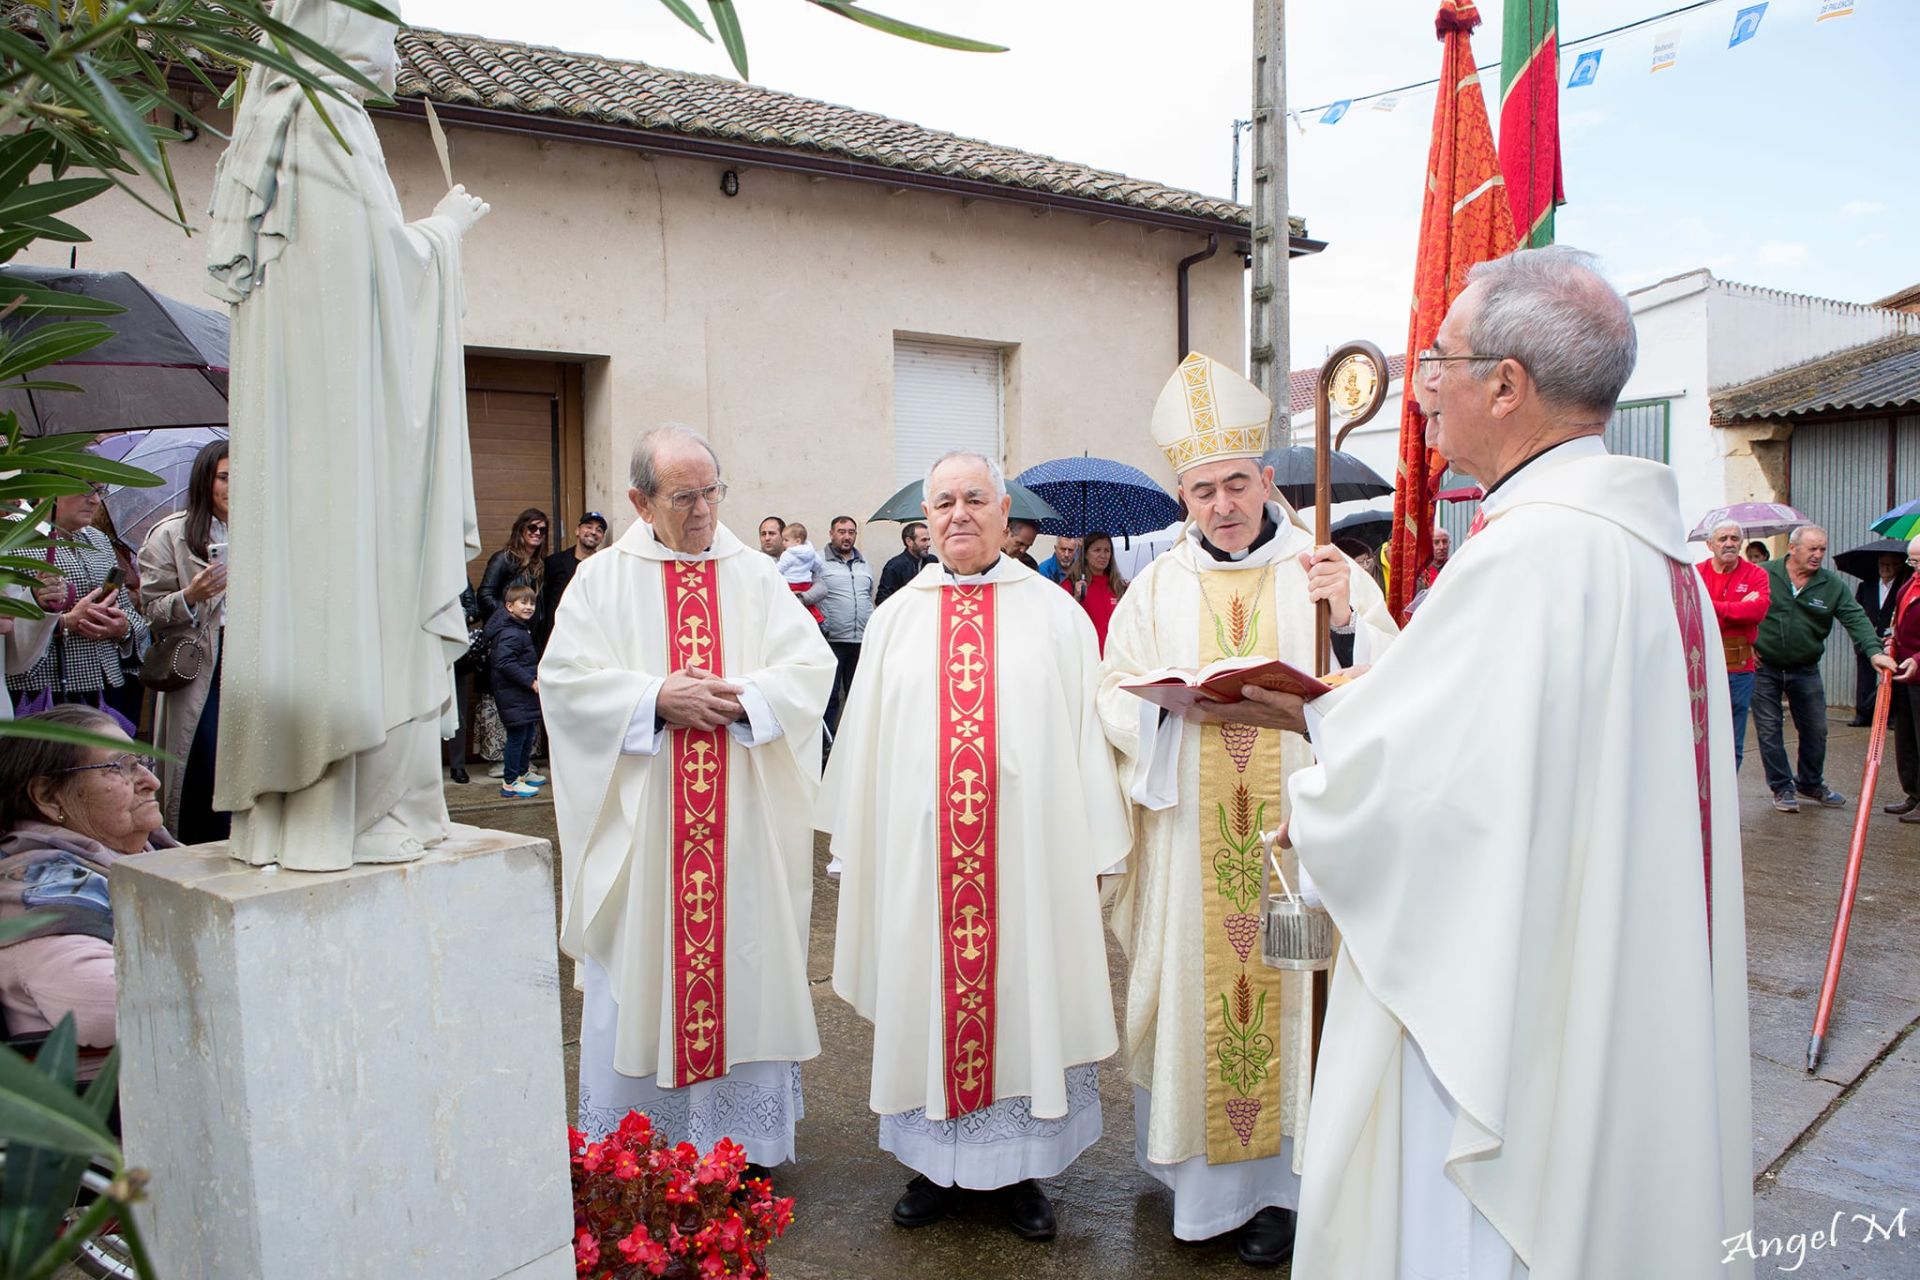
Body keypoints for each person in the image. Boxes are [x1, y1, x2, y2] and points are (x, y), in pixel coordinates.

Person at [1270, 247, 1752, 1279]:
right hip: (1599, 979)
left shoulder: (1533, 553)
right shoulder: (1643, 549)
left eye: (1440, 359)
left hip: (1507, 1017)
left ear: (1507, 384)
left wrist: (1316, 775)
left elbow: (1423, 800)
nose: (1425, 388)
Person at [1095, 352, 1397, 1267]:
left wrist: (1345, 621)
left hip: (1296, 842)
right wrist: (1158, 705)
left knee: (1299, 997)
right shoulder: (1154, 589)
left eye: (1236, 482)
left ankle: (1292, 1191)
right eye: (1202, 491)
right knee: (1206, 1000)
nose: (1222, 504)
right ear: (1182, 499)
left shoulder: (1324, 568)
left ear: (1268, 479)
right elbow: (1111, 693)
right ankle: (1207, 1191)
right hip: (1190, 836)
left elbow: (1384, 686)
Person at [820, 450, 1129, 1242]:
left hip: (1028, 858)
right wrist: (860, 846)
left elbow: (1086, 736)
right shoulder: (895, 619)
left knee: (1028, 994)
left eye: (975, 500)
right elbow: (865, 746)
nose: (959, 514)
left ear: (1005, 513)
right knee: (926, 993)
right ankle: (932, 1164)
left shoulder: (1055, 614)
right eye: (944, 501)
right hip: (923, 863)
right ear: (926, 516)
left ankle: (1022, 1170)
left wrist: (1096, 841)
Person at [206, 0, 487, 870]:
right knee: (365, 591)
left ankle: (324, 808)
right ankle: (355, 807)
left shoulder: (285, 123)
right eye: (386, 28)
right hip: (347, 445)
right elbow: (377, 286)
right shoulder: (327, 120)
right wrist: (443, 233)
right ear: (336, 26)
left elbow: (351, 280)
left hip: (325, 438)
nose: (394, 52)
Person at [541, 425, 835, 1171]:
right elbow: (565, 686)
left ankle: (743, 1148)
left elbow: (810, 668)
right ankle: (644, 1147)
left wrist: (745, 700)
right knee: (644, 962)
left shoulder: (755, 575)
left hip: (740, 824)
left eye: (712, 492)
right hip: (646, 835)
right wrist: (651, 698)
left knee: (744, 960)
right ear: (641, 501)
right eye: (684, 497)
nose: (704, 511)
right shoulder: (602, 580)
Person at [0, 706, 176, 1078]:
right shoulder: (40, 897)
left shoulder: (139, 858)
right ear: (48, 796)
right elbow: (121, 1010)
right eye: (120, 767)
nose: (150, 780)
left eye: (142, 762)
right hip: (113, 1113)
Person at [1752, 525, 1894, 813]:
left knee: (1816, 729)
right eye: (1812, 549)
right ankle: (1782, 787)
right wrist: (1744, 643)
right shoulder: (1763, 574)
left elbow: (1856, 618)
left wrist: (1875, 652)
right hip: (1763, 667)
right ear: (1793, 548)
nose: (1818, 555)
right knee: (1769, 730)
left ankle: (1810, 782)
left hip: (1805, 667)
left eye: (1822, 550)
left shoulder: (1831, 585)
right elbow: (1735, 608)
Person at [136, 438, 232, 843]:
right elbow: (150, 609)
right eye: (225, 476)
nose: (234, 487)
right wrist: (192, 596)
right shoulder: (171, 535)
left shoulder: (269, 532)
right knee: (203, 754)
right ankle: (194, 842)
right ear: (205, 480)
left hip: (257, 658)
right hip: (199, 660)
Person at [8, 485, 150, 729]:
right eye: (86, 490)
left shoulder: (98, 539)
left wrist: (121, 627)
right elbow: (7, 627)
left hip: (106, 689)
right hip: (39, 691)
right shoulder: (11, 535)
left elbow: (133, 618)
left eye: (99, 491)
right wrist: (63, 623)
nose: (95, 501)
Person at [1696, 517, 1770, 771]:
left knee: (1732, 740)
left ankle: (1727, 804)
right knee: (1698, 734)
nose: (1729, 543)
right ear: (1709, 544)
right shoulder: (1695, 573)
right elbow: (1688, 612)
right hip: (1700, 666)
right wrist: (1737, 608)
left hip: (1737, 668)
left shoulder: (1756, 574)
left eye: (1734, 538)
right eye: (1722, 539)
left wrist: (1712, 607)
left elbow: (1757, 612)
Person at [485, 582, 544, 798]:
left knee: (527, 734)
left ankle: (522, 773)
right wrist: (530, 681)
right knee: (517, 737)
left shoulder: (519, 628)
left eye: (532, 603)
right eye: (523, 602)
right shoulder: (510, 632)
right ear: (509, 606)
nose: (529, 607)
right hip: (514, 694)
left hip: (521, 695)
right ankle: (510, 782)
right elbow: (504, 663)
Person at [817, 515, 874, 735]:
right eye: (841, 532)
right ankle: (826, 746)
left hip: (861, 641)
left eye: (851, 532)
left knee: (857, 696)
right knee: (829, 697)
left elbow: (867, 595)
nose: (846, 537)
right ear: (831, 534)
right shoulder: (819, 561)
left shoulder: (864, 563)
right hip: (832, 640)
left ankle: (854, 744)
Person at [1881, 536, 1920, 823]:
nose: (1913, 567)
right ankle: (1914, 793)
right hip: (1905, 672)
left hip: (1916, 666)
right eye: (1911, 561)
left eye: (1917, 561)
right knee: (1906, 737)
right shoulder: (1911, 582)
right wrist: (1892, 635)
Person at [1849, 551, 1906, 726]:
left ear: (1898, 566)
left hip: (1891, 639)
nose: (1885, 568)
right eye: (1882, 564)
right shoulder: (1866, 586)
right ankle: (1863, 715)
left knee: (1892, 677)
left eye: (1890, 564)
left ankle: (1891, 716)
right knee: (1864, 676)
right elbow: (1855, 611)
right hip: (1868, 638)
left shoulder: (1902, 586)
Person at [542, 511, 608, 635]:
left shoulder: (605, 567)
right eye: (588, 527)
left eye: (599, 530)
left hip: (590, 635)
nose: (593, 532)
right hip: (557, 634)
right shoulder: (554, 563)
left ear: (602, 538)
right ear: (577, 531)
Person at [479, 508, 549, 624]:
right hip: (507, 630)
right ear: (521, 529)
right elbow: (485, 596)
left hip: (532, 634)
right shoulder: (503, 559)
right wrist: (511, 616)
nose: (537, 533)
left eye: (542, 530)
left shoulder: (540, 564)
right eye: (532, 528)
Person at [1065, 531, 1126, 654]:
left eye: (1107, 551)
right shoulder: (1070, 584)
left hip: (1116, 656)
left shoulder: (1118, 585)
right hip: (1087, 657)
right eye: (1097, 550)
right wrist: (1075, 599)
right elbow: (1060, 621)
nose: (1103, 555)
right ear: (1085, 554)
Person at [874, 520, 933, 607]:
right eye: (923, 540)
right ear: (909, 541)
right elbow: (881, 600)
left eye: (928, 540)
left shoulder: (932, 561)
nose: (928, 544)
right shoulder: (894, 566)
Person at [776, 522, 826, 621]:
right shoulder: (811, 553)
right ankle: (816, 618)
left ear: (797, 541)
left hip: (791, 584)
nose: (783, 543)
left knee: (790, 610)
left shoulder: (788, 554)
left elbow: (779, 569)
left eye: (786, 540)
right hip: (806, 585)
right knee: (808, 608)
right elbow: (819, 564)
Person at [1414, 525, 1452, 592]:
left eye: (1445, 542)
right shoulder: (1421, 571)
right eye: (1436, 542)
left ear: (1449, 543)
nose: (1441, 547)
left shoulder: (1454, 565)